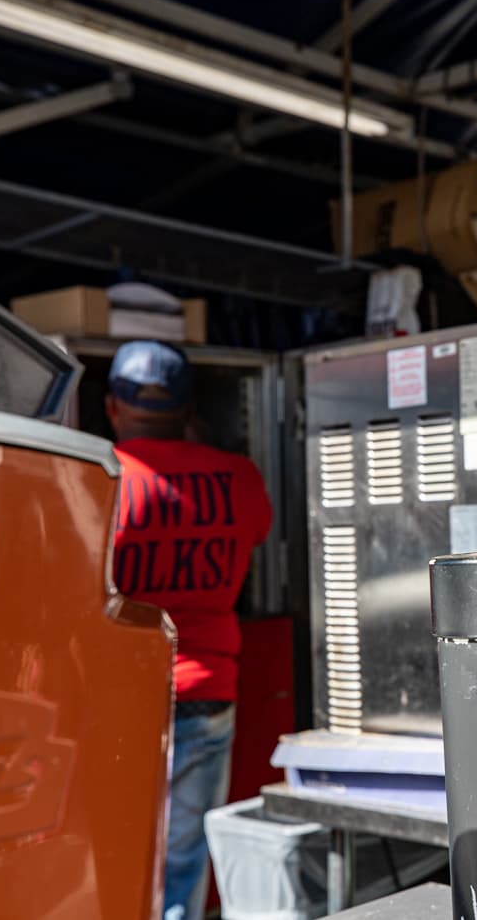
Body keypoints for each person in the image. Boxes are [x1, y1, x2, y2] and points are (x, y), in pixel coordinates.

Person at [105, 340, 273, 920]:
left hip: (116, 695)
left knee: (114, 853)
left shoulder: (99, 478)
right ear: (188, 409)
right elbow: (256, 535)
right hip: (205, 686)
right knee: (181, 862)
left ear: (111, 406)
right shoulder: (238, 477)